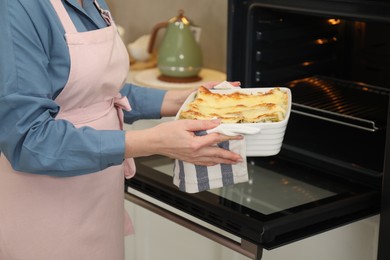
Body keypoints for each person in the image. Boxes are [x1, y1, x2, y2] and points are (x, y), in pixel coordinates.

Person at [0, 0, 243, 259]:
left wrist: (183, 100)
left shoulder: (94, 3)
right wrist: (153, 142)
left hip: (99, 199)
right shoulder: (17, 7)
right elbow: (28, 139)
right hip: (44, 212)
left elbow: (103, 91)